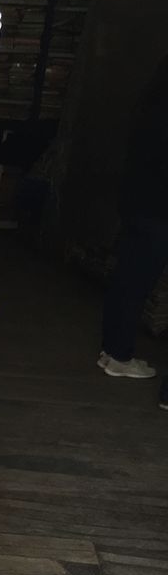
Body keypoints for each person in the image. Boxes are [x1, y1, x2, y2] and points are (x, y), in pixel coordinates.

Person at [98, 56, 168, 389]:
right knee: (136, 285)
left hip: (138, 206)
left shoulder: (149, 105)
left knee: (127, 280)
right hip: (158, 212)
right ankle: (120, 357)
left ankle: (112, 352)